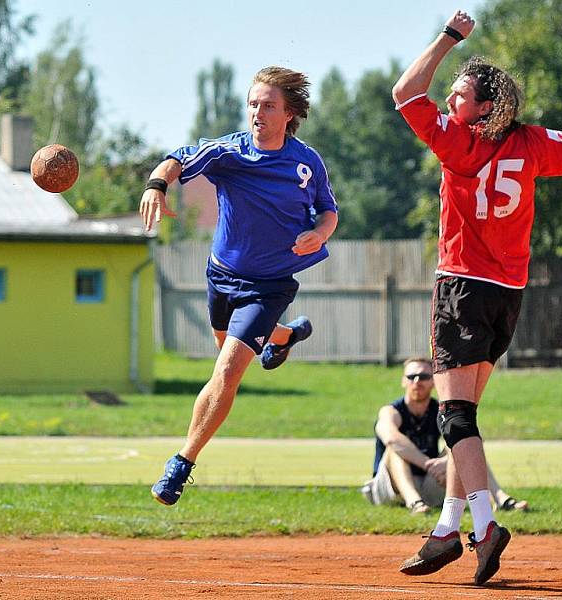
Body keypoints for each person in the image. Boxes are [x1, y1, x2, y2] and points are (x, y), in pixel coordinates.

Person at [391, 9, 562, 586]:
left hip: (463, 288)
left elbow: (404, 91)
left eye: (462, 93)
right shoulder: (535, 144)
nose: (450, 97)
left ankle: (485, 525)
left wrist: (449, 38)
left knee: (453, 416)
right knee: (462, 418)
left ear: (485, 109)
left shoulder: (458, 142)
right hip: (507, 298)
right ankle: (448, 529)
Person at [139, 66, 338, 506]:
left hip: (269, 287)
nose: (257, 112)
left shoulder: (306, 162)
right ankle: (285, 337)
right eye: (253, 104)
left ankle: (181, 464)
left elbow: (328, 211)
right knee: (230, 351)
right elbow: (177, 158)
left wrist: (320, 233)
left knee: (226, 372)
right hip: (222, 277)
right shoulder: (230, 153)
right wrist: (157, 186)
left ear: (288, 113)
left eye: (268, 105)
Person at [362, 357, 527, 515]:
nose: (417, 381)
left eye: (424, 376)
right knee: (394, 450)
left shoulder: (440, 411)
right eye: (411, 377)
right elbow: (391, 438)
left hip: (430, 482)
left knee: (468, 448)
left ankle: (500, 499)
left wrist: (446, 462)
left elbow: (465, 440)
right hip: (390, 488)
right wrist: (428, 464)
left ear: (434, 381)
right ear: (403, 381)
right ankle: (414, 503)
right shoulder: (391, 411)